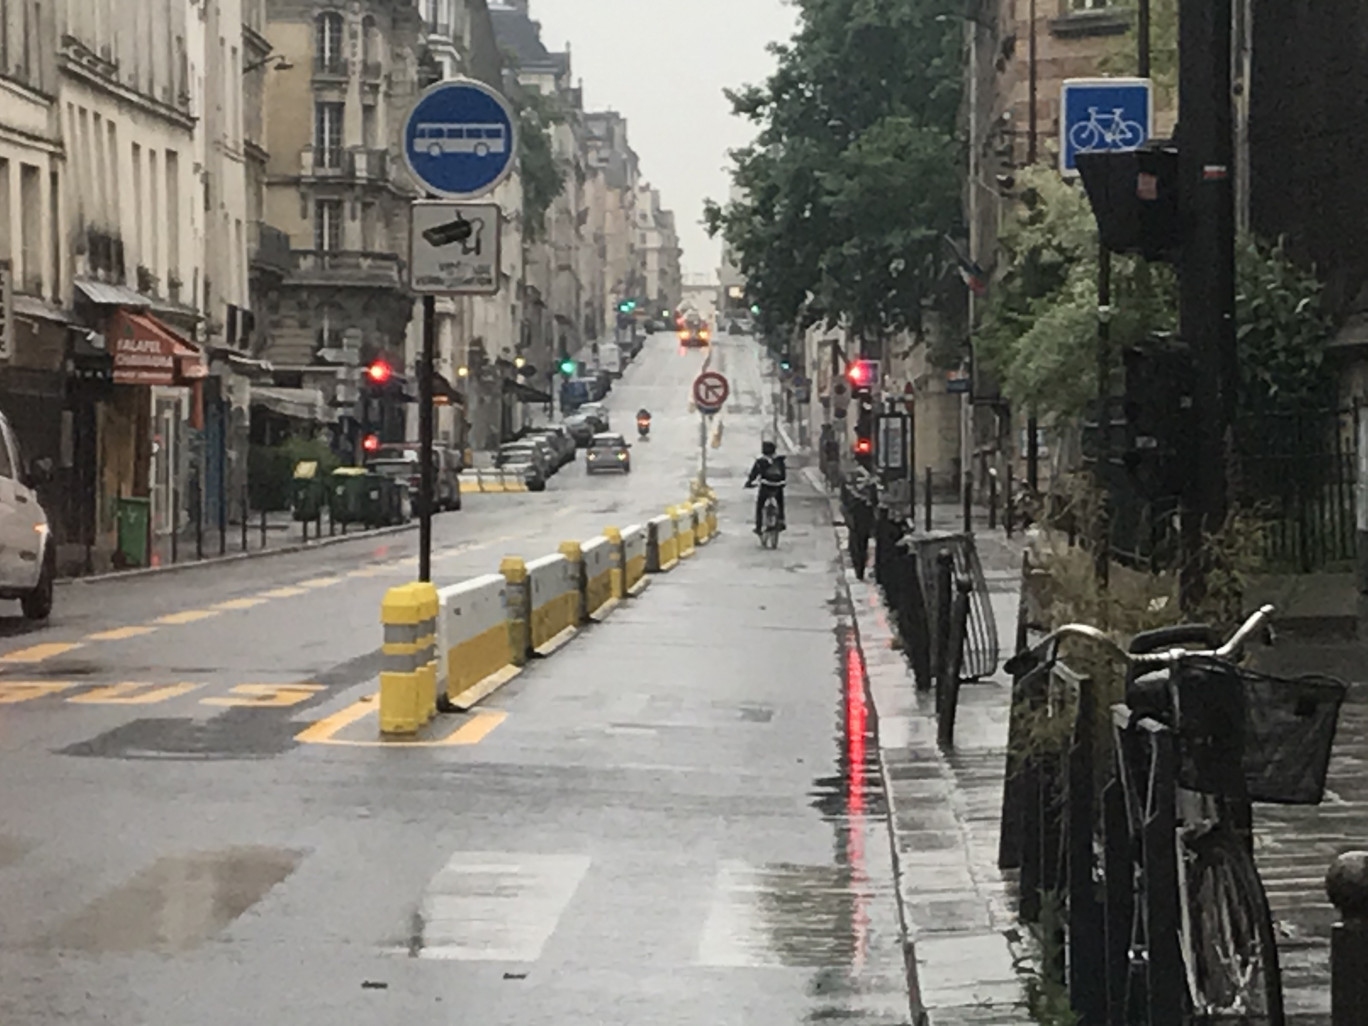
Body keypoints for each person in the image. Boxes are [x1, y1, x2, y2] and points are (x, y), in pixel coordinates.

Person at [841, 466, 878, 580]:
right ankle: (860, 568)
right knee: (861, 542)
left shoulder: (850, 479)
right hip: (862, 516)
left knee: (857, 543)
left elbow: (845, 501)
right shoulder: (870, 482)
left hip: (857, 517)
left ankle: (859, 568)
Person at [745, 441, 787, 533]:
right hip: (778, 485)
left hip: (766, 485)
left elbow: (754, 474)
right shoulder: (779, 460)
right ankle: (781, 521)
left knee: (760, 506)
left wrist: (749, 483)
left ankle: (759, 527)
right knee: (780, 503)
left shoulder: (761, 461)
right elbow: (783, 474)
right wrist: (782, 482)